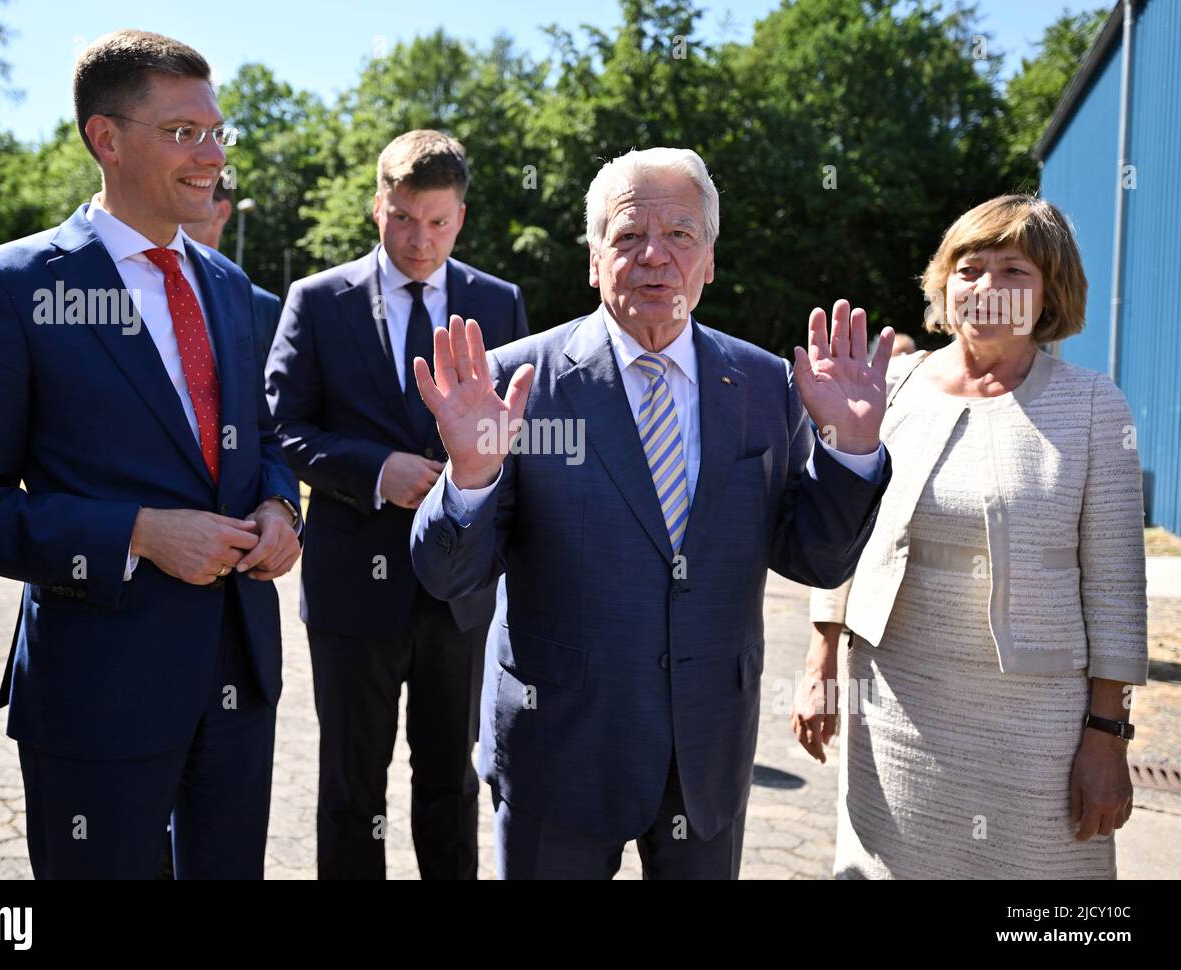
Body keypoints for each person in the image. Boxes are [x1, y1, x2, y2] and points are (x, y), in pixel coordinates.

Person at [409, 147, 895, 879]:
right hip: (559, 755)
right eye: (629, 236)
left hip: (706, 755)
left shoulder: (766, 384)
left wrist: (852, 452)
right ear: (594, 260)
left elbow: (816, 557)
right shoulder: (515, 385)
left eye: (680, 236)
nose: (654, 258)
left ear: (708, 261)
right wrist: (470, 476)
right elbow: (450, 576)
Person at [0, 29, 302, 879]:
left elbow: (262, 441)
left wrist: (278, 505)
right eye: (183, 133)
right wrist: (138, 533)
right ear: (106, 139)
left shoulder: (232, 290)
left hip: (238, 680)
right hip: (98, 694)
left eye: (216, 130)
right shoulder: (11, 288)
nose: (214, 155)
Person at [794, 194, 1147, 879]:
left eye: (1013, 270)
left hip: (1038, 730)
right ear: (943, 284)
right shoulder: (890, 385)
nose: (985, 287)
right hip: (896, 708)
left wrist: (1107, 737)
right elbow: (843, 529)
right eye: (969, 267)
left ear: (1051, 291)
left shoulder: (1094, 405)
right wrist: (818, 664)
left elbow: (1116, 588)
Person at [267, 129, 528, 879]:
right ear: (376, 206)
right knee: (352, 788)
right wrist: (380, 469)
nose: (421, 240)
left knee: (451, 780)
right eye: (404, 219)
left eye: (439, 223)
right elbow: (282, 428)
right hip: (352, 589)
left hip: (461, 595)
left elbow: (521, 435)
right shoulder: (315, 302)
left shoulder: (499, 303)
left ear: (462, 218)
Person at [182, 179, 284, 370]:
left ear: (222, 211)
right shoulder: (140, 289)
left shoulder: (263, 307)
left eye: (191, 194)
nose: (176, 205)